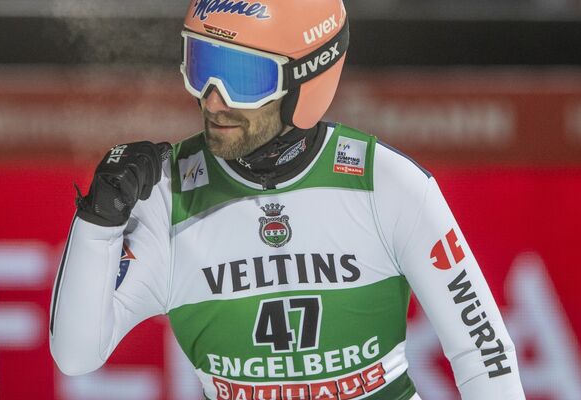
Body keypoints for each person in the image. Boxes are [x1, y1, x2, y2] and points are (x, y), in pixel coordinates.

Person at [49, 0, 526, 399]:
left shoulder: (386, 185)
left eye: (242, 75)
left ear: (307, 79)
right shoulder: (167, 196)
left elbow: (484, 355)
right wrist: (98, 221)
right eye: (202, 67)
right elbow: (76, 353)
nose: (214, 100)